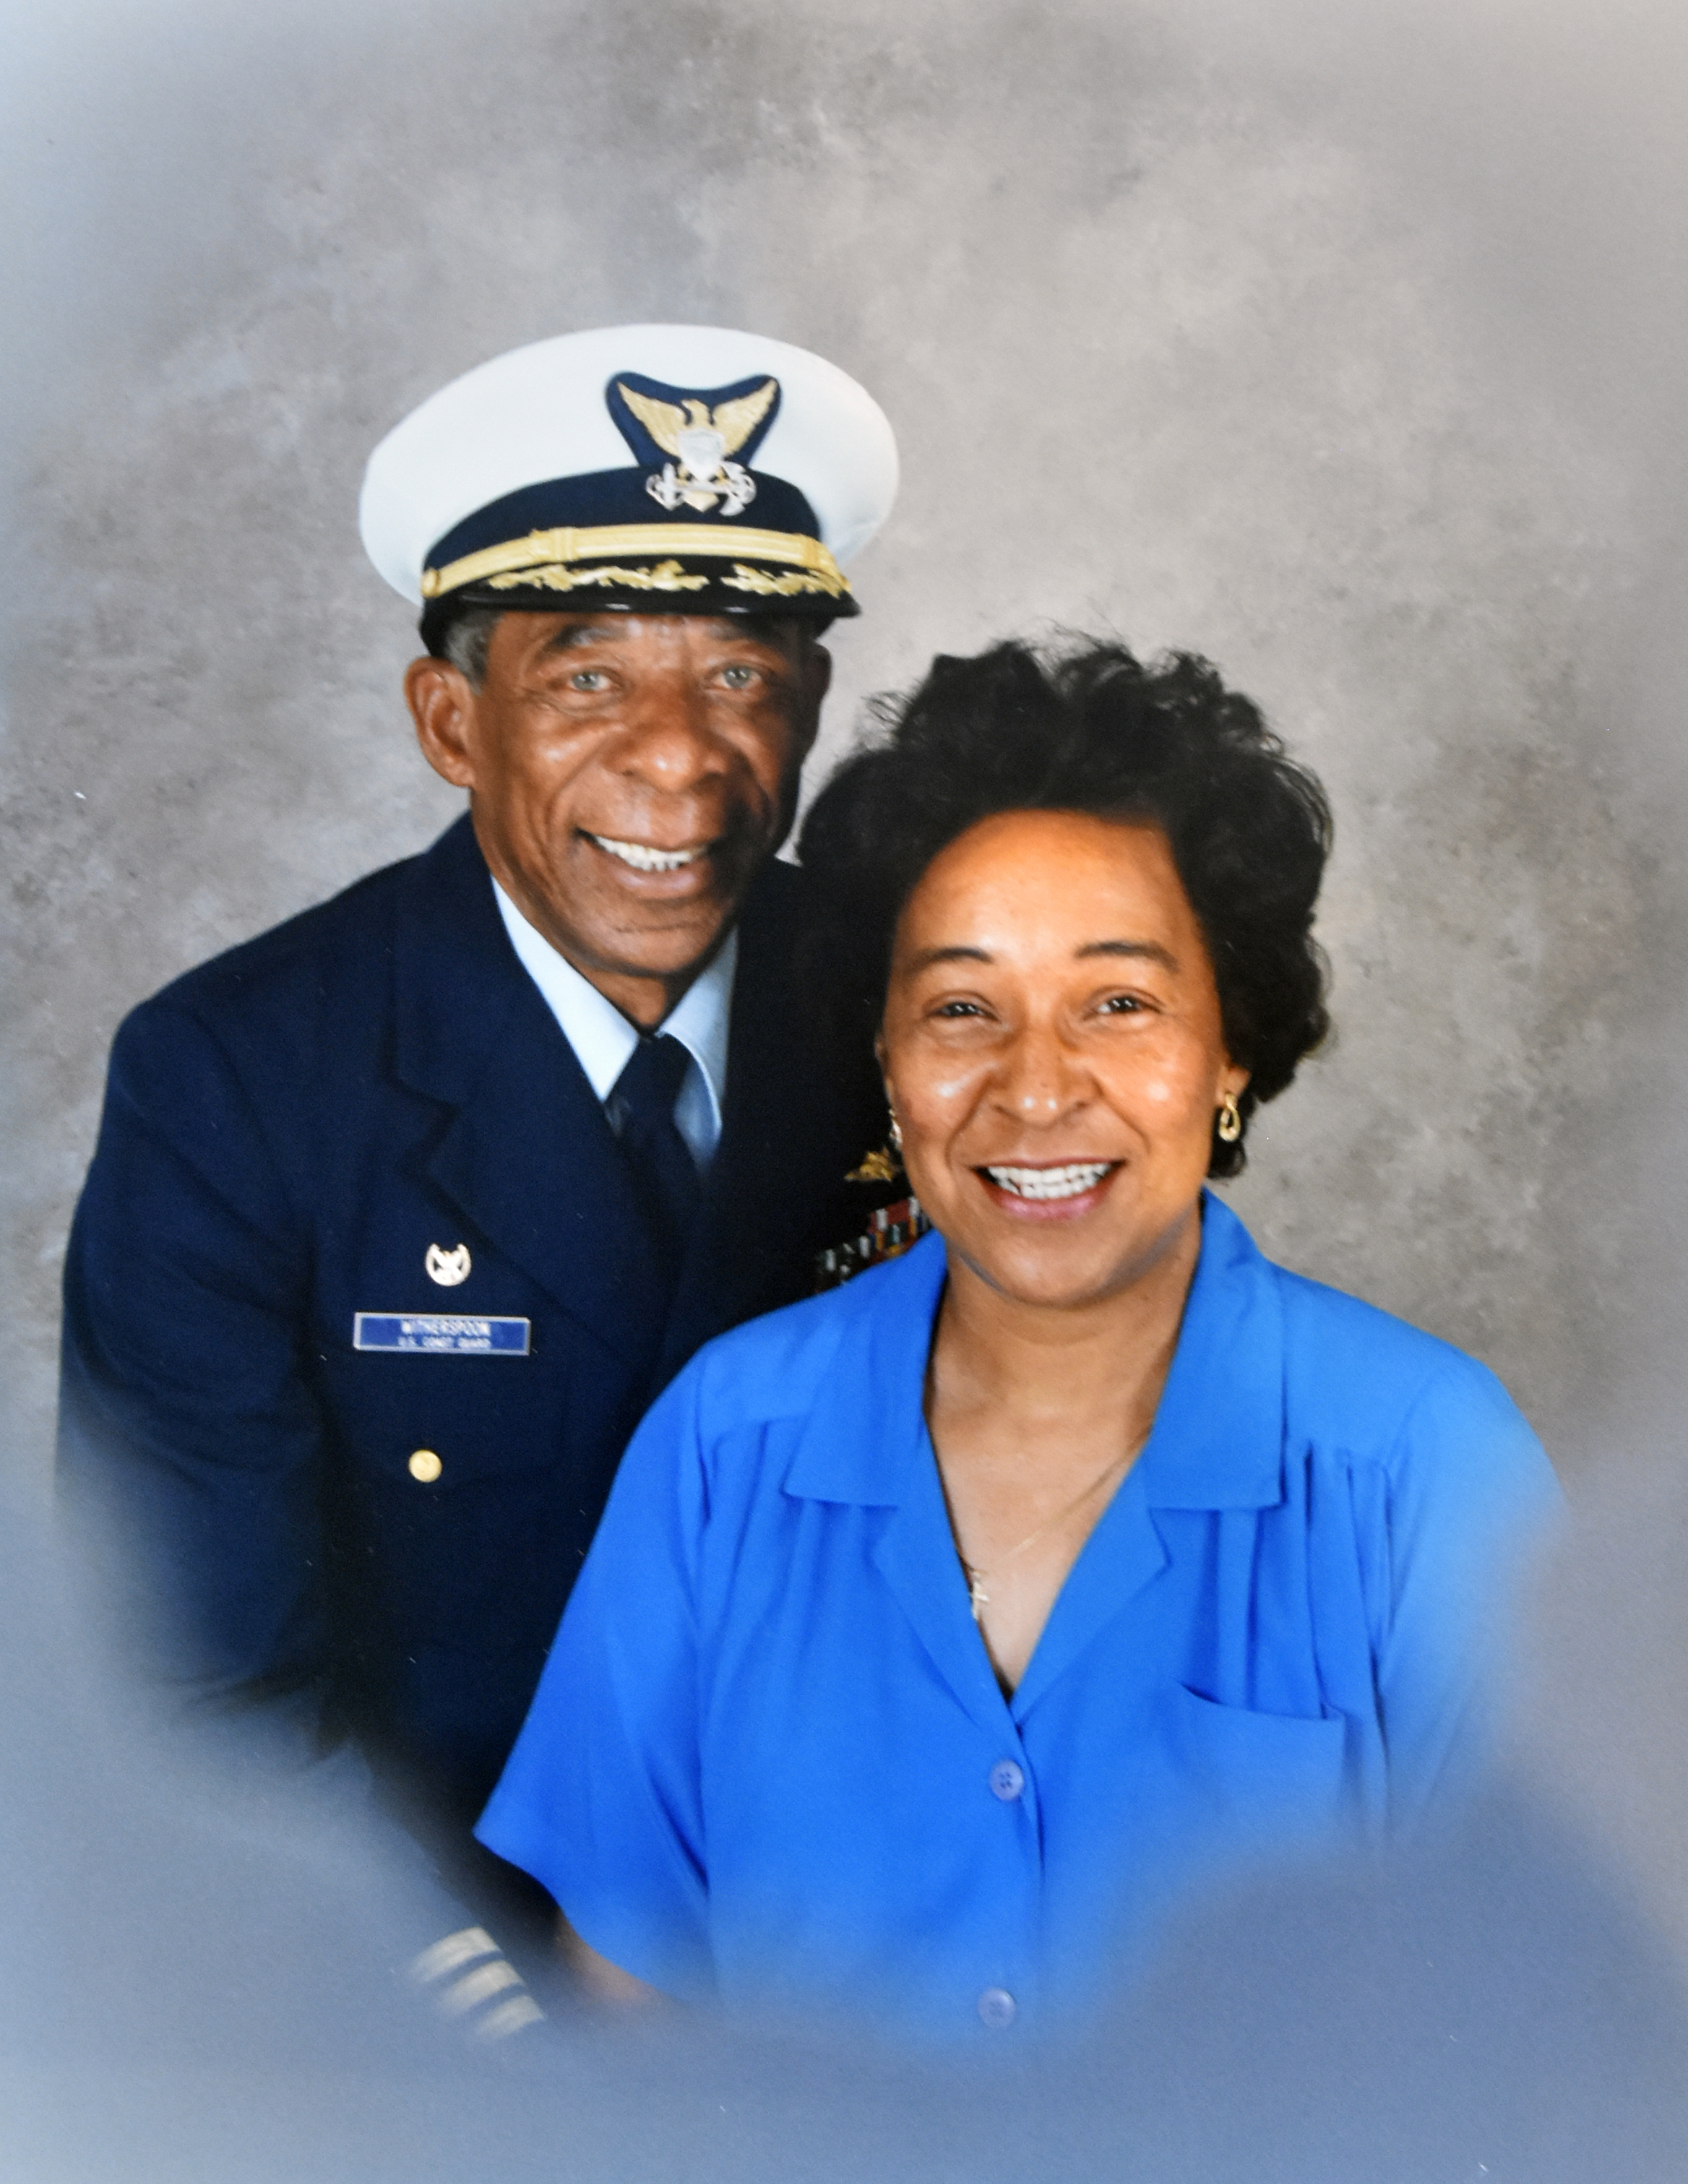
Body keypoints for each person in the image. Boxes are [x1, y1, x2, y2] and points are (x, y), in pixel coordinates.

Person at [477, 637, 1563, 2037]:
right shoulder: (723, 1444)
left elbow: (1533, 2037)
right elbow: (636, 2014)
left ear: (1231, 1049)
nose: (1034, 1088)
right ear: (885, 1058)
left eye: (1118, 1002)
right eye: (959, 1009)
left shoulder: (1424, 1464)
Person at [56, 326, 898, 2005]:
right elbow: (196, 1673)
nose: (677, 754)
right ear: (453, 721)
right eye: (589, 677)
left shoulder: (923, 1012)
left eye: (741, 673)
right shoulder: (238, 1078)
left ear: (806, 715)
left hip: (884, 1932)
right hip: (455, 1979)